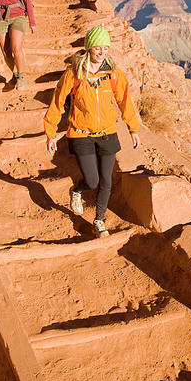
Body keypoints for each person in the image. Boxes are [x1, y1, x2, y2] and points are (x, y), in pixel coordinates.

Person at [44, 26, 141, 237]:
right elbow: (57, 100)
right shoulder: (74, 73)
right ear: (89, 48)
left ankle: (99, 221)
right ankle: (77, 190)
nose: (102, 52)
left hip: (107, 132)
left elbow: (125, 101)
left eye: (106, 48)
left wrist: (133, 128)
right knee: (93, 180)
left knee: (107, 180)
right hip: (80, 133)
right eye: (98, 48)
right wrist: (50, 131)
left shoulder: (113, 73)